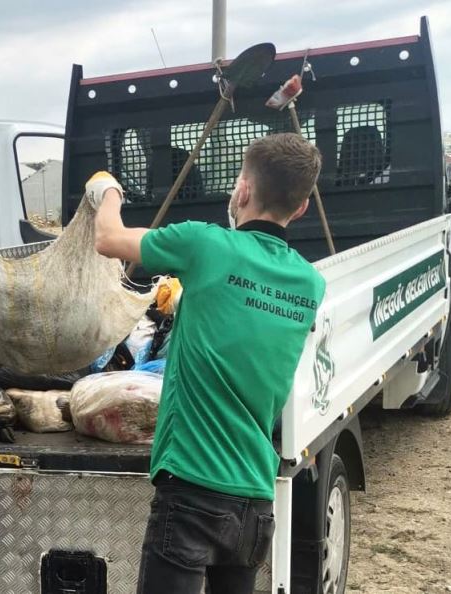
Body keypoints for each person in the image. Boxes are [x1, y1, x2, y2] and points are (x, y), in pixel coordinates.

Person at [86, 133, 326, 594]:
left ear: (243, 191)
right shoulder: (310, 284)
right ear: (300, 209)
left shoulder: (205, 245)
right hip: (254, 500)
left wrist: (107, 189)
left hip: (192, 491)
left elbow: (107, 239)